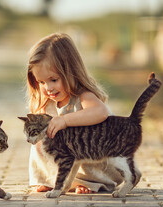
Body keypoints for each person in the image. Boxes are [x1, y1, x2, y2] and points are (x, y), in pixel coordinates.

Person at [26, 33, 132, 194]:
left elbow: (100, 111)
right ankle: (47, 179)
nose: (48, 88)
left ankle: (89, 182)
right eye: (41, 82)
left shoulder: (83, 96)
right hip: (67, 161)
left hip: (97, 160)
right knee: (40, 141)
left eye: (53, 80)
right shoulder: (47, 103)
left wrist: (65, 121)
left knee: (81, 142)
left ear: (71, 73)